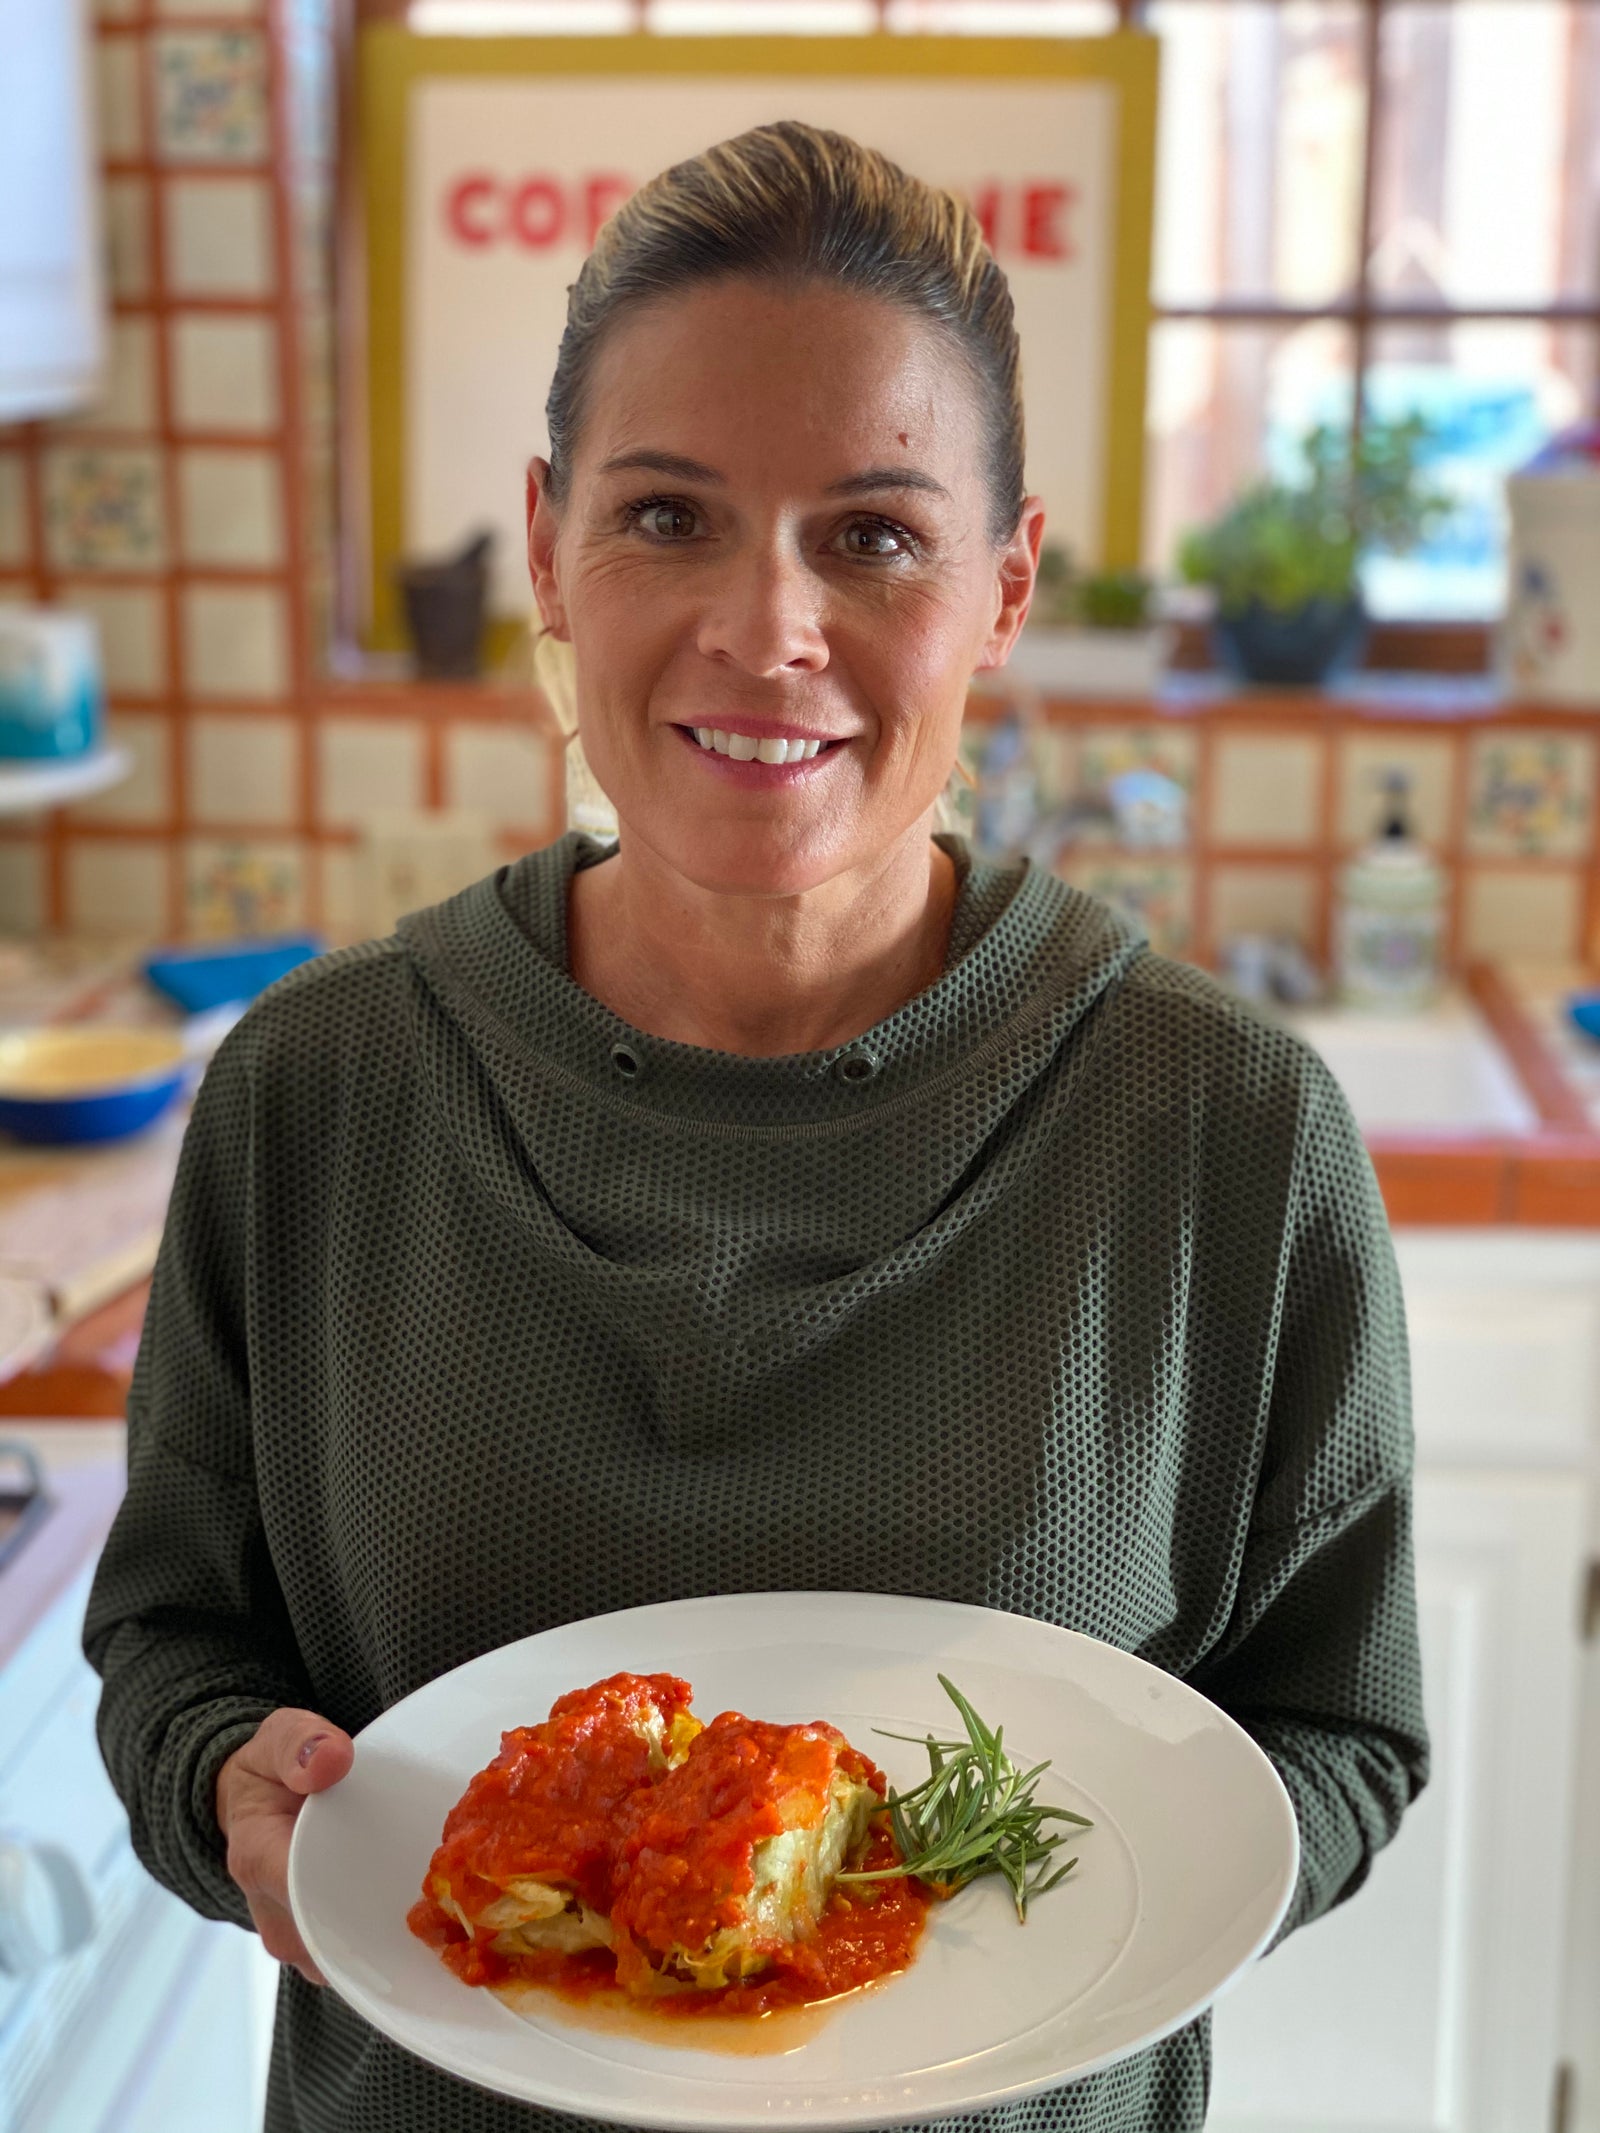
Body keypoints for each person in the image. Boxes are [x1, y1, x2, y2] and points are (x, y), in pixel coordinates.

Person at [85, 119, 1427, 2133]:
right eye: (665, 516)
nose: (765, 626)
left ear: (1002, 583)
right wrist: (227, 1791)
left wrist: (1143, 1891)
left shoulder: (1222, 1129)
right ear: (545, 542)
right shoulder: (315, 1092)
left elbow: (1336, 1727)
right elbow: (175, 1637)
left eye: (874, 534)